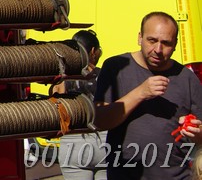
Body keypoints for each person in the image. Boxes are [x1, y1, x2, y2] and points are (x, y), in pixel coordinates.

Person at [94, 11, 202, 179]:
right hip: (126, 175)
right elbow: (100, 120)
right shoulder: (116, 68)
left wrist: (197, 133)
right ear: (140, 38)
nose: (158, 49)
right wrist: (140, 93)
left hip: (175, 175)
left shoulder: (187, 77)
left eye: (166, 43)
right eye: (152, 40)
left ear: (175, 44)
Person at [56, 29, 108, 179]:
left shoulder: (62, 79)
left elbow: (56, 107)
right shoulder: (105, 75)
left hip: (73, 145)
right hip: (104, 143)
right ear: (93, 51)